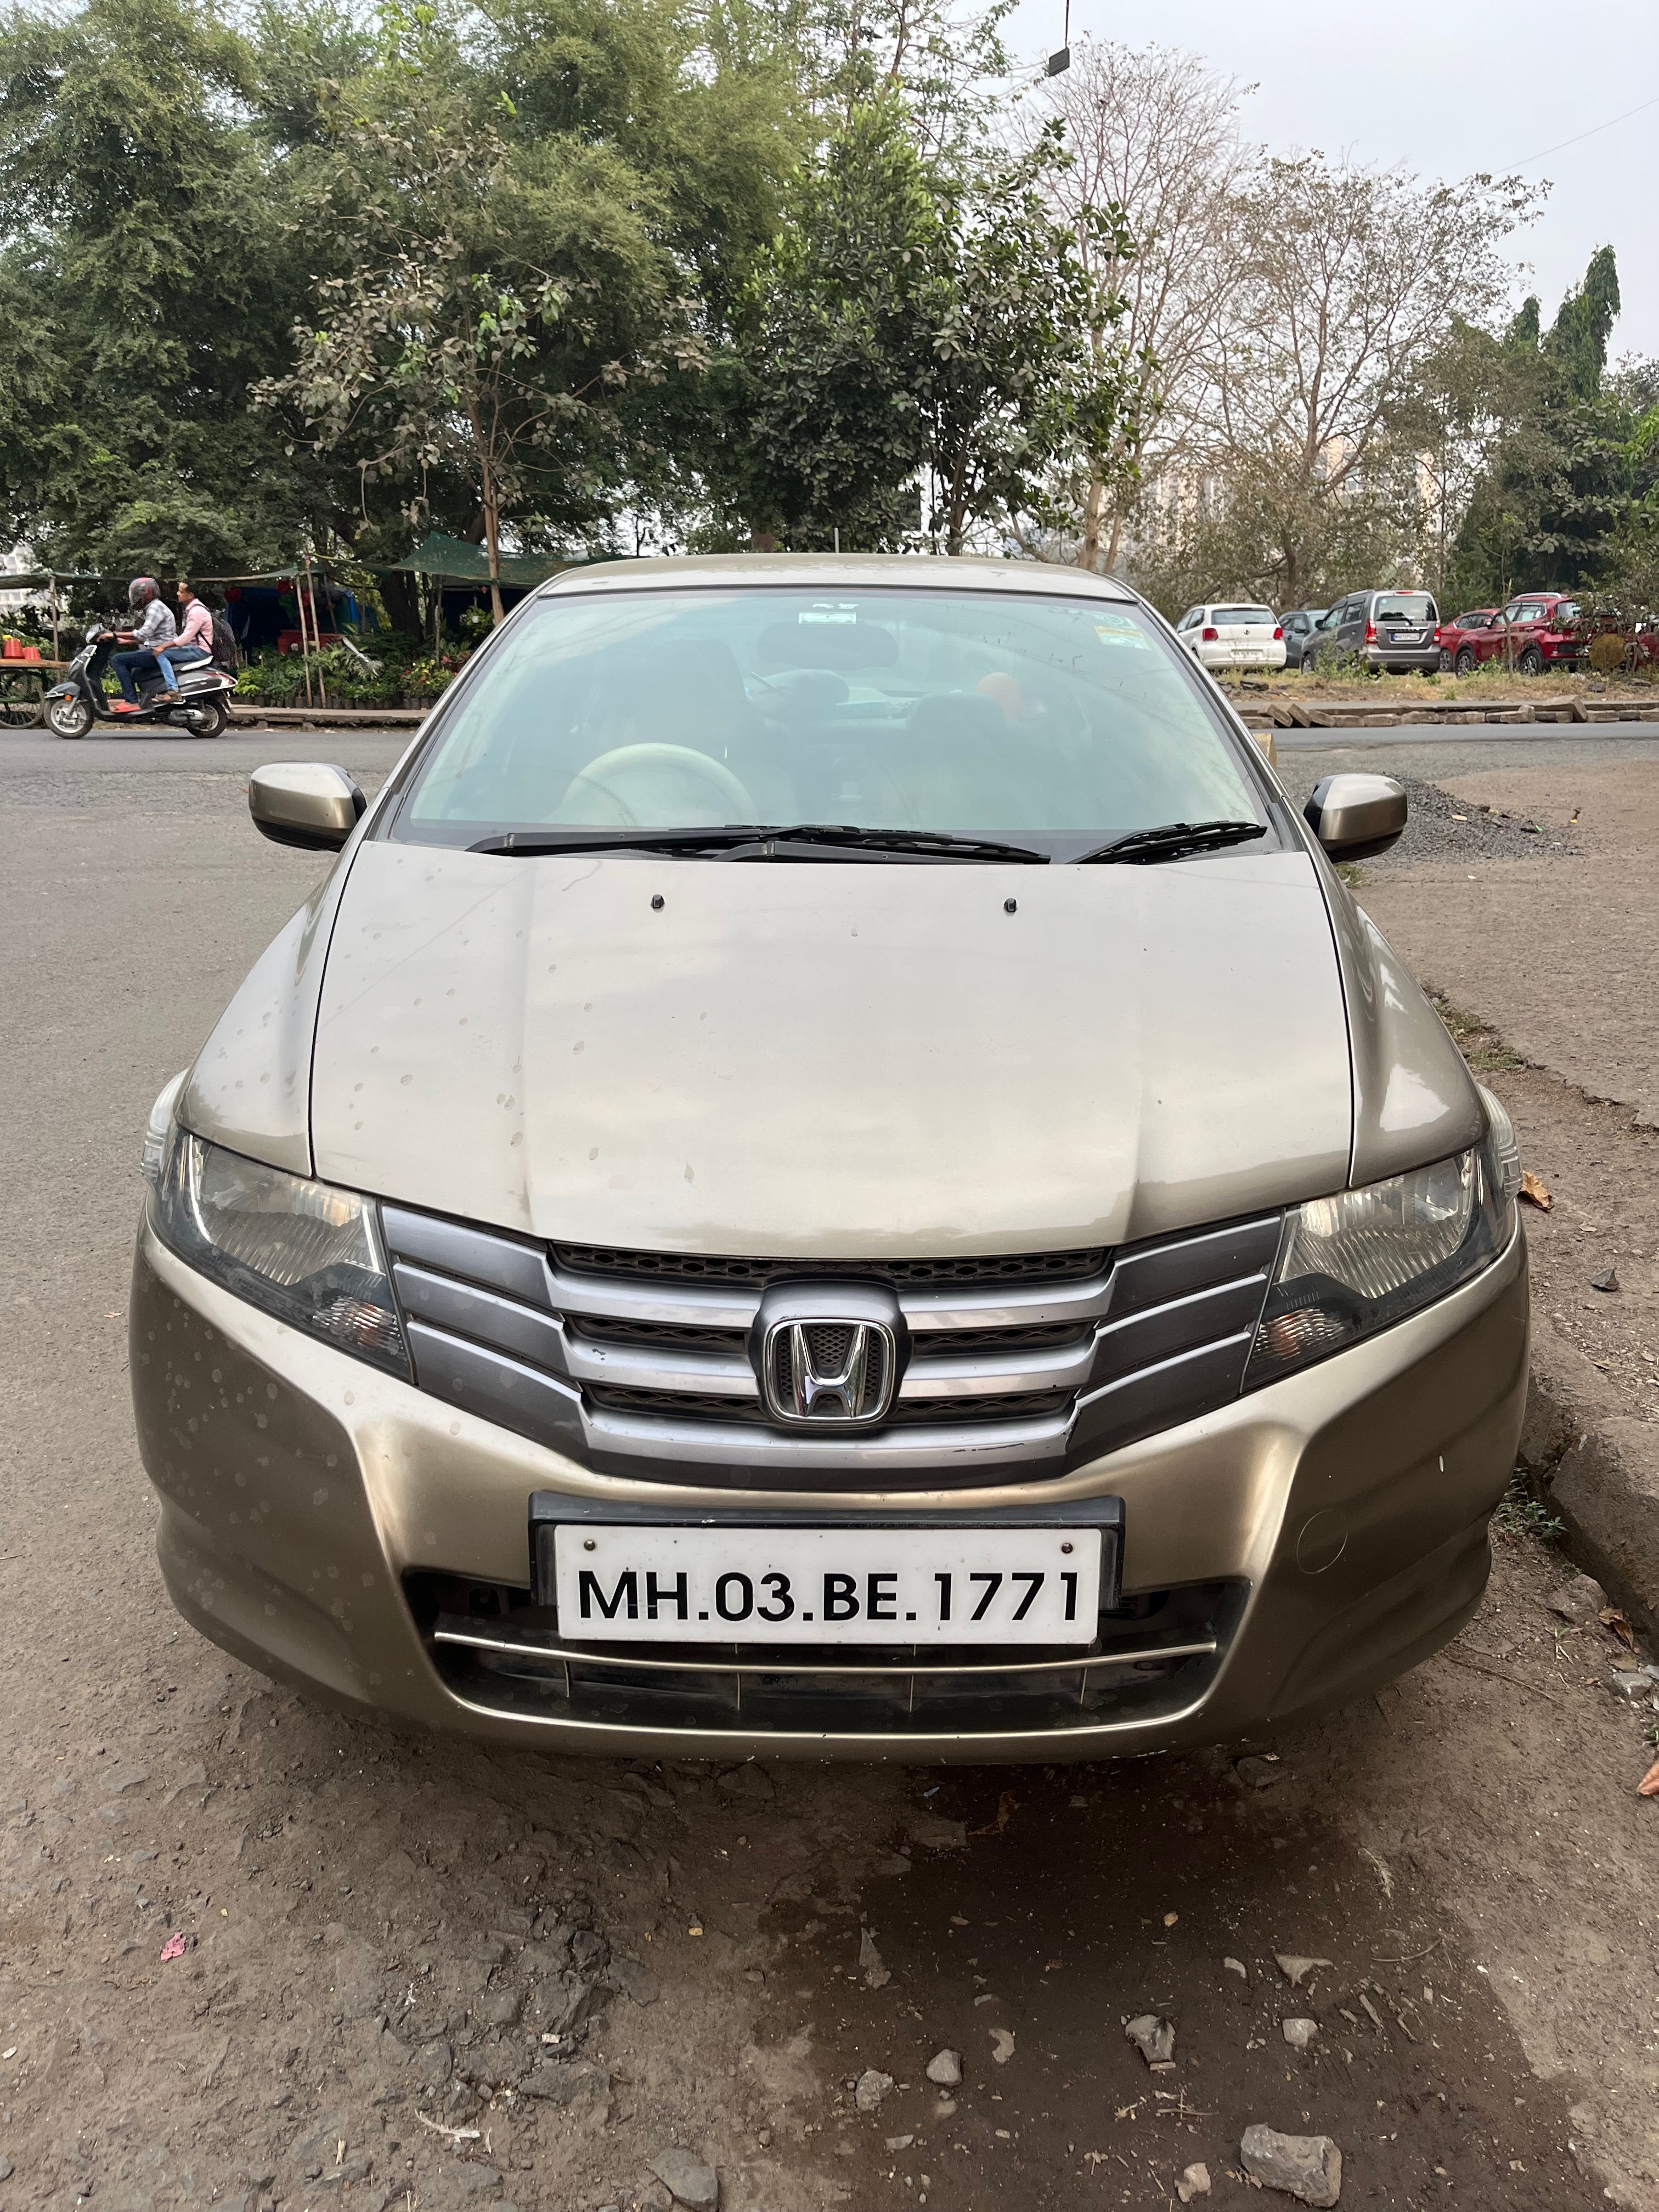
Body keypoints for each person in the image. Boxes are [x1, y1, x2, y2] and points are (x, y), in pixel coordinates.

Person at [110, 578, 177, 712]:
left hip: (159, 653)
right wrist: (128, 641)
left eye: (138, 594)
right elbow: (154, 636)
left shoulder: (155, 608)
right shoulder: (154, 607)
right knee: (135, 672)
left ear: (147, 593)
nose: (136, 598)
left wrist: (114, 635)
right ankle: (147, 700)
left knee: (117, 660)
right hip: (157, 650)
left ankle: (131, 701)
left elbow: (144, 633)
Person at [155, 578, 213, 700]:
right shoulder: (193, 609)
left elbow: (185, 639)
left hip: (200, 651)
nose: (178, 594)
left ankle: (173, 691)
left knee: (162, 654)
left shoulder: (197, 612)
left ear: (190, 595)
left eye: (181, 592)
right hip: (196, 648)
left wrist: (163, 647)